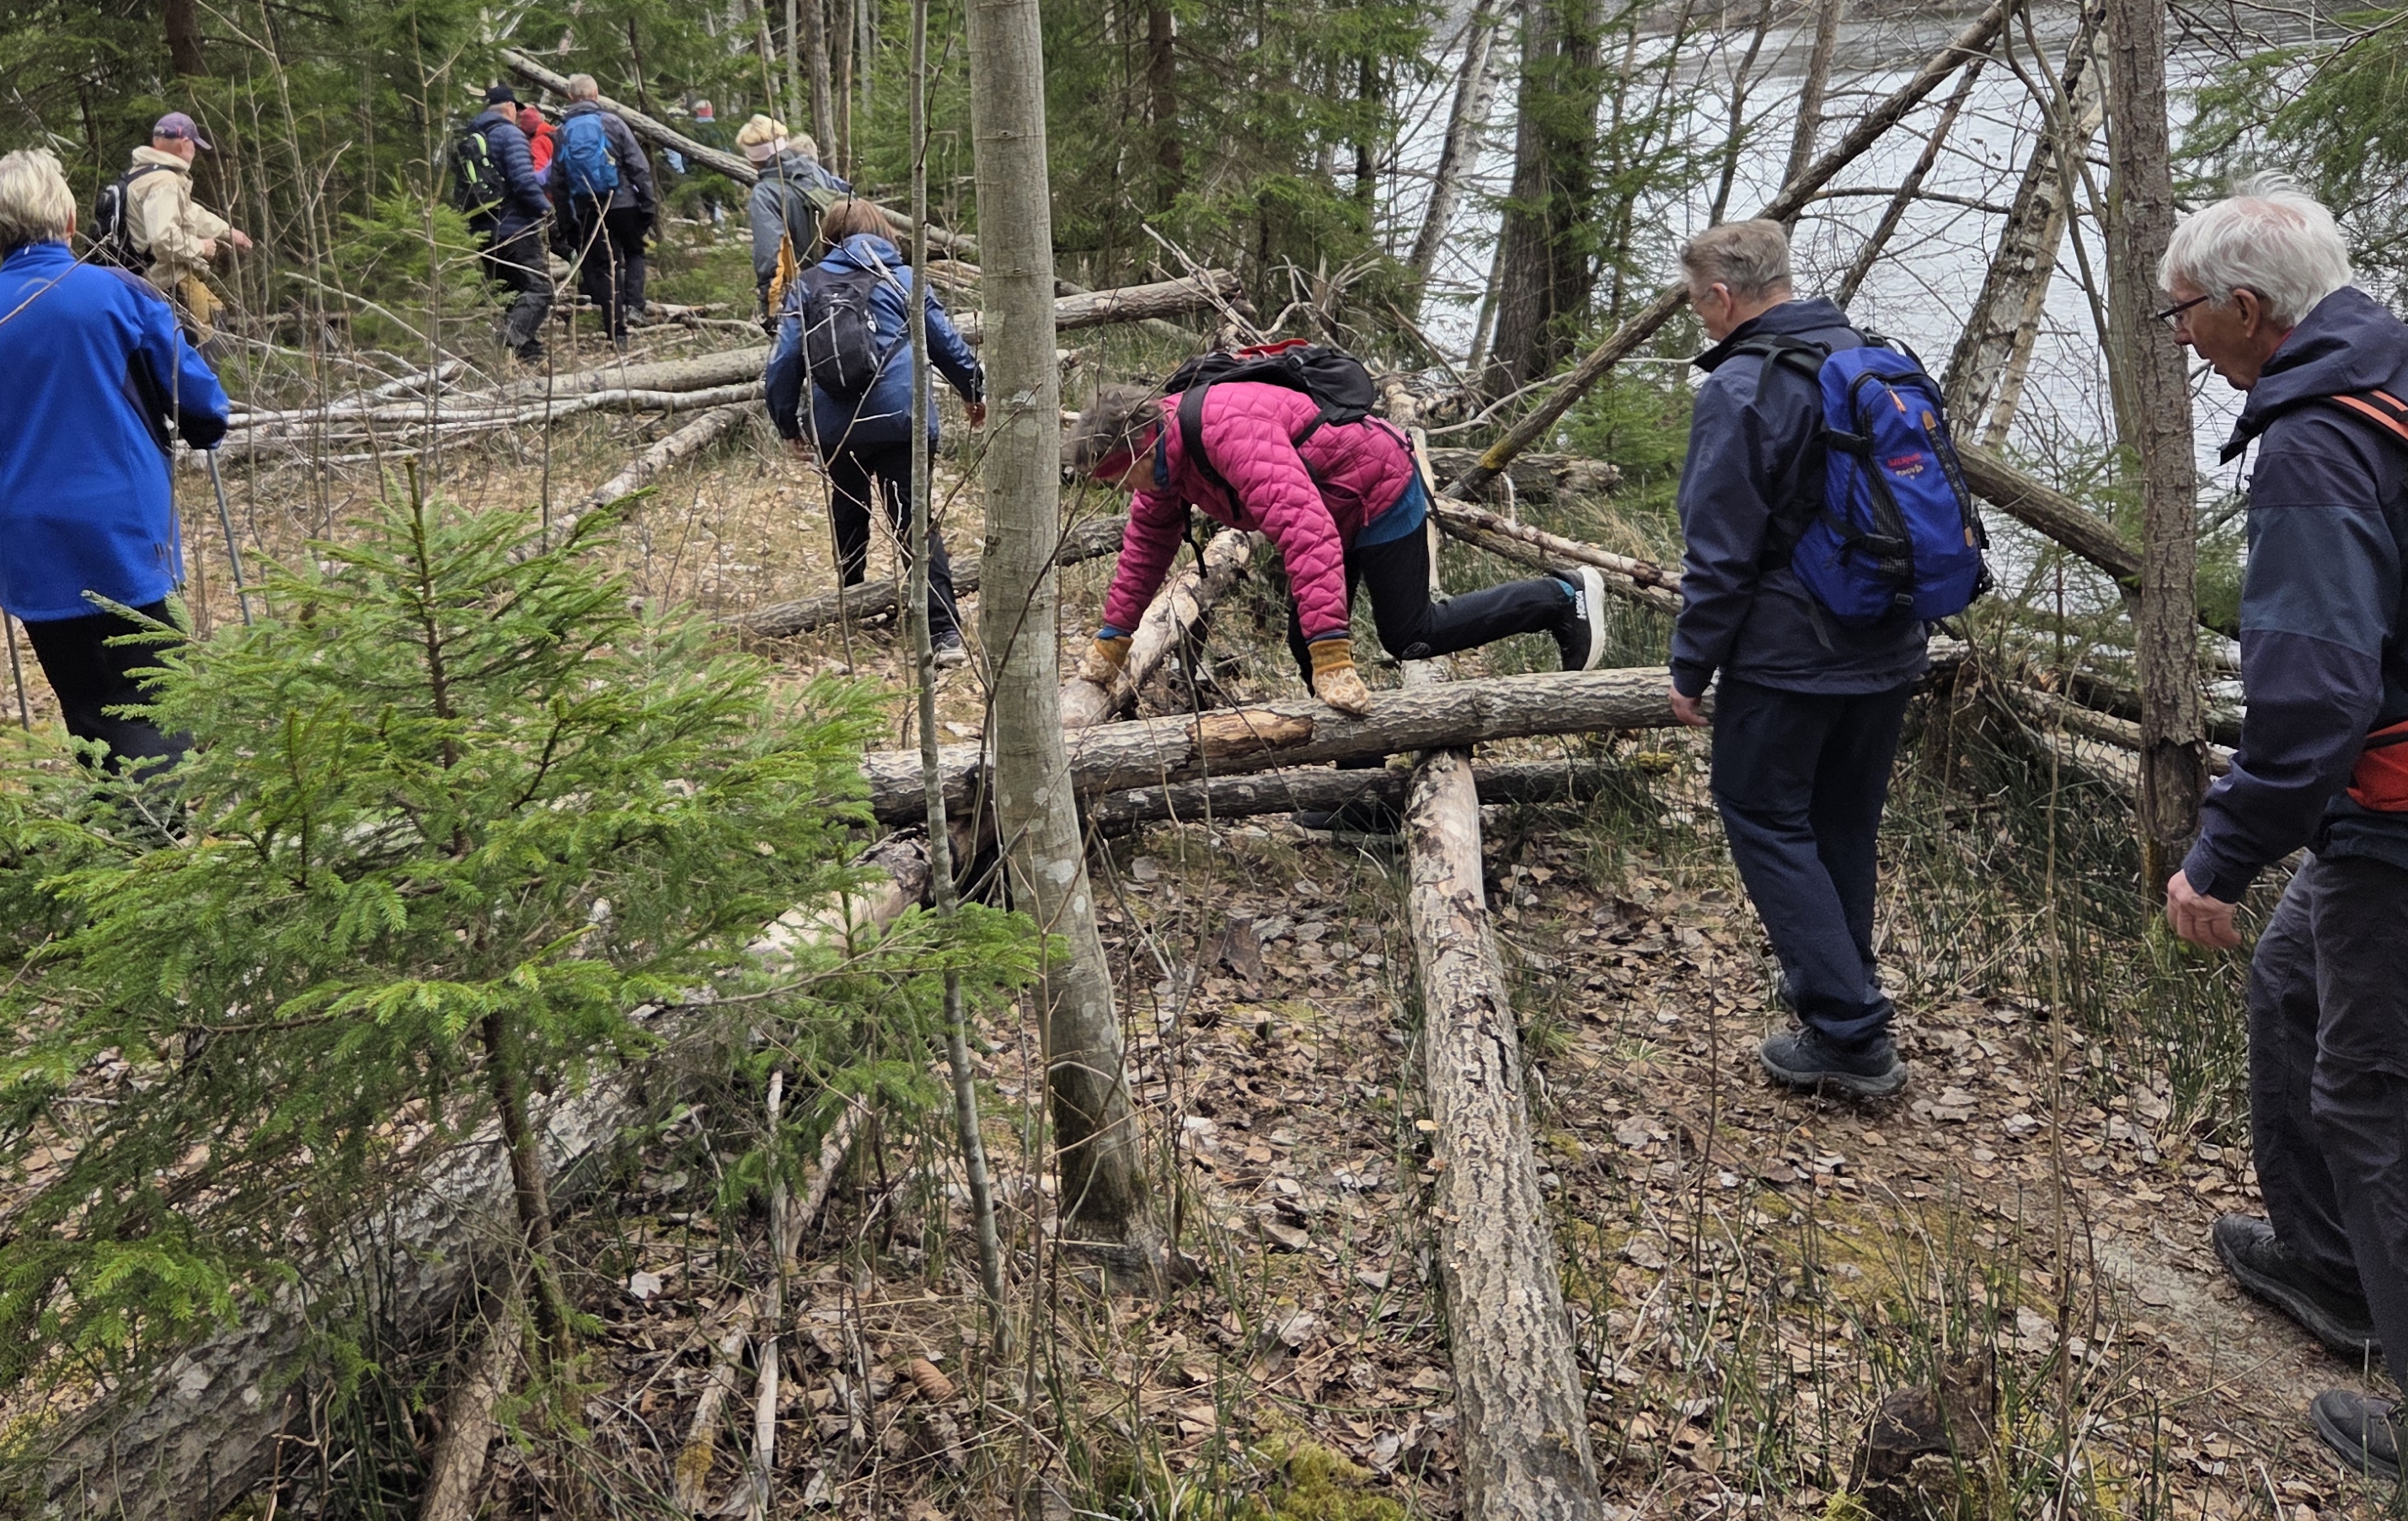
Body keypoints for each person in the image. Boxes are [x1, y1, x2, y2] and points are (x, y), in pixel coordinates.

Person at [2157, 188, 2408, 1521]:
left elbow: (2314, 700)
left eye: (2187, 316)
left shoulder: (2318, 443)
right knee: (2292, 986)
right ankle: (2332, 1270)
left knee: (2390, 1106)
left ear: (2249, 310)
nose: (2186, 340)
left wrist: (2216, 855)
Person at [1668, 217, 1931, 1103]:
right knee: (1840, 826)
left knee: (1763, 814)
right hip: (1889, 644)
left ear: (1720, 296)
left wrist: (1690, 664)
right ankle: (1842, 993)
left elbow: (1719, 549)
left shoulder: (1742, 388)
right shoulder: (1865, 355)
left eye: (1695, 302)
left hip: (1790, 657)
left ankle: (1849, 1032)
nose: (1697, 318)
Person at [0, 150, 228, 794]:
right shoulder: (123, 296)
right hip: (128, 530)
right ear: (72, 218)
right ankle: (156, 850)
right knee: (154, 694)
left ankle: (117, 844)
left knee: (86, 700)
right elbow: (207, 411)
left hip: (31, 542)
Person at [1067, 362, 1603, 731]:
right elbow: (1145, 548)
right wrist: (1114, 639)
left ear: (1141, 446)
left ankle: (1561, 596)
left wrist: (1335, 656)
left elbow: (1306, 529)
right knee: (1306, 643)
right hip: (1331, 505)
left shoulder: (1227, 430)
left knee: (1410, 635)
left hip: (1378, 488)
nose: (1122, 492)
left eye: (1120, 479)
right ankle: (1364, 789)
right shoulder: (1163, 466)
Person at [765, 200, 984, 666]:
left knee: (848, 511)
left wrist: (788, 424)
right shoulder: (902, 278)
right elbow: (945, 343)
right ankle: (943, 633)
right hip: (903, 418)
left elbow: (783, 363)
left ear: (828, 238)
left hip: (837, 427)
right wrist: (973, 389)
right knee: (914, 524)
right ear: (883, 232)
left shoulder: (806, 285)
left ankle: (850, 605)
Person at [548, 72, 661, 347]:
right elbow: (638, 167)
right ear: (596, 94)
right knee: (634, 251)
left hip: (587, 208)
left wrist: (566, 222)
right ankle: (635, 307)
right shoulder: (613, 123)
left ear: (570, 97)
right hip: (622, 202)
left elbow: (558, 182)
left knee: (598, 267)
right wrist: (648, 204)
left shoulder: (562, 132)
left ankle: (616, 329)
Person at [120, 110, 249, 340]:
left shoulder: (141, 173)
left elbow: (190, 214)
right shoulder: (165, 182)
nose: (195, 152)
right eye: (194, 145)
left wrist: (227, 232)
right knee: (207, 337)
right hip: (163, 282)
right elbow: (163, 240)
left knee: (214, 315)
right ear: (184, 144)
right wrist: (201, 247)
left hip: (138, 279)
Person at [453, 81, 553, 365]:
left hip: (481, 230)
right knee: (539, 288)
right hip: (514, 227)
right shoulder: (511, 135)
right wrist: (547, 210)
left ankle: (528, 356)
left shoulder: (471, 139)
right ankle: (509, 340)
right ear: (510, 107)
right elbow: (523, 180)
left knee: (512, 293)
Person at [741, 114, 853, 326]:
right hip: (855, 277)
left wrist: (771, 306)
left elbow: (770, 254)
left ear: (753, 159)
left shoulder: (765, 193)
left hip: (812, 289)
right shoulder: (816, 172)